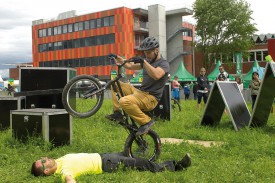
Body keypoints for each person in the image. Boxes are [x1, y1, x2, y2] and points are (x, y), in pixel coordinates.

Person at [105, 37, 170, 136]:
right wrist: (118, 57)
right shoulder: (148, 60)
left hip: (151, 98)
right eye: (145, 53)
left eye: (148, 52)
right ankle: (118, 113)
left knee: (124, 101)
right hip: (140, 92)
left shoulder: (164, 64)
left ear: (156, 50)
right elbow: (129, 66)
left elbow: (156, 75)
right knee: (115, 84)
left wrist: (144, 62)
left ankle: (147, 122)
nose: (146, 55)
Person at [31, 152, 192, 183]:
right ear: (46, 171)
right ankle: (176, 166)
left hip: (104, 155)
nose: (44, 158)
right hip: (107, 163)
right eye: (43, 162)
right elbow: (69, 180)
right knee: (142, 164)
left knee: (133, 157)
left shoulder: (58, 160)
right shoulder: (63, 171)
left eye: (41, 158)